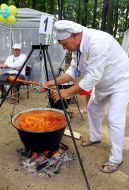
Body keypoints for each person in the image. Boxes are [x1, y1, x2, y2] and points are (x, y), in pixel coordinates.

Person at [43, 20, 129, 173]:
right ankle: (95, 137)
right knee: (93, 108)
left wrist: (67, 92)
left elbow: (92, 78)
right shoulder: (77, 48)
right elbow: (73, 71)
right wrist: (53, 82)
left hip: (121, 82)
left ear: (75, 36)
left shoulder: (98, 42)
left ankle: (116, 159)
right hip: (103, 83)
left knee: (114, 118)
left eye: (64, 43)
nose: (63, 47)